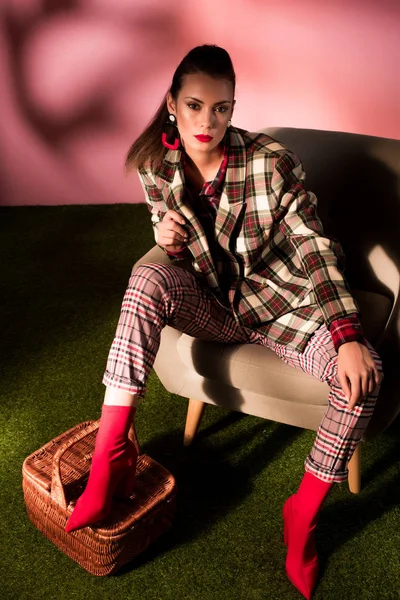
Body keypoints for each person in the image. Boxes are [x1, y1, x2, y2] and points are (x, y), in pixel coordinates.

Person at [65, 45, 382, 599]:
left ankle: (301, 517)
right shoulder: (152, 166)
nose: (207, 122)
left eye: (222, 108)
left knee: (363, 376)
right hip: (215, 307)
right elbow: (178, 252)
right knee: (146, 281)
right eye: (194, 106)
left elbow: (315, 248)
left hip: (287, 309)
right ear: (171, 104)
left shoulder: (271, 160)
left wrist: (347, 334)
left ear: (234, 108)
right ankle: (111, 458)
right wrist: (164, 240)